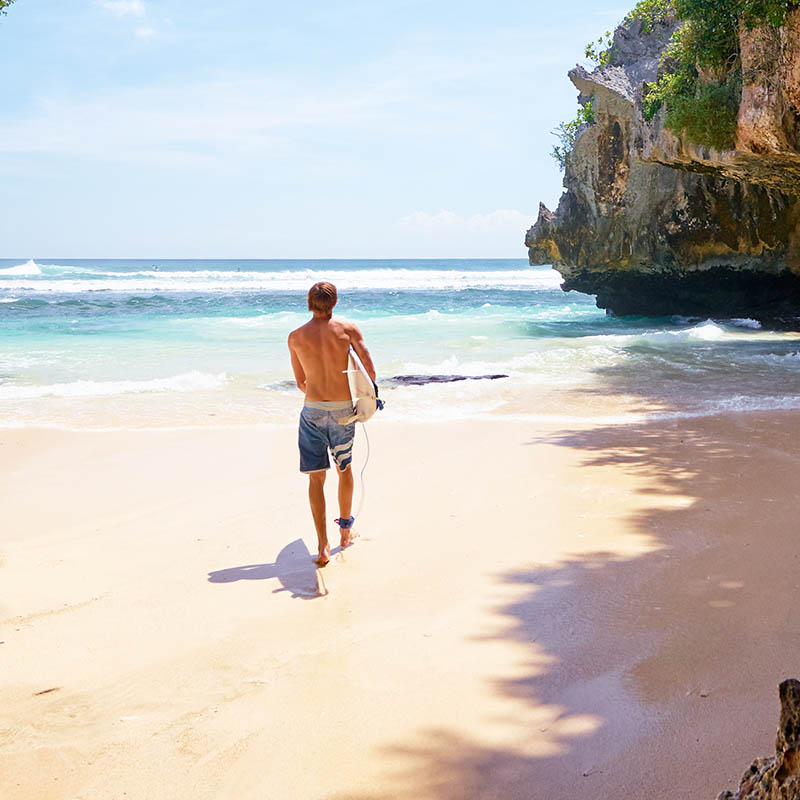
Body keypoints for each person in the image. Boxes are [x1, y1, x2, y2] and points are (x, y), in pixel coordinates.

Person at [288, 281, 376, 566]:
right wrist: (368, 398)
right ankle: (344, 532)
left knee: (316, 478)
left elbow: (301, 382)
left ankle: (322, 544)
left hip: (312, 411)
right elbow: (369, 372)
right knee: (345, 469)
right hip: (342, 412)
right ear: (334, 303)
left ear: (308, 302)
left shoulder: (295, 337)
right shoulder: (348, 330)